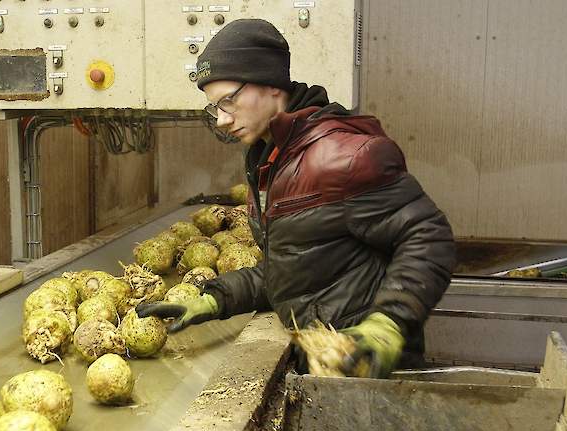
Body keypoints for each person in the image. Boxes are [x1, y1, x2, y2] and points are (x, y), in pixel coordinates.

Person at [137, 19, 456, 376]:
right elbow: (294, 265)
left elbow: (430, 237)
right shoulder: (270, 156)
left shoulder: (343, 156)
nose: (223, 120)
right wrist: (217, 298)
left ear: (271, 86)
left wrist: (388, 324)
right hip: (325, 361)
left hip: (369, 366)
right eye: (215, 109)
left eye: (229, 101)